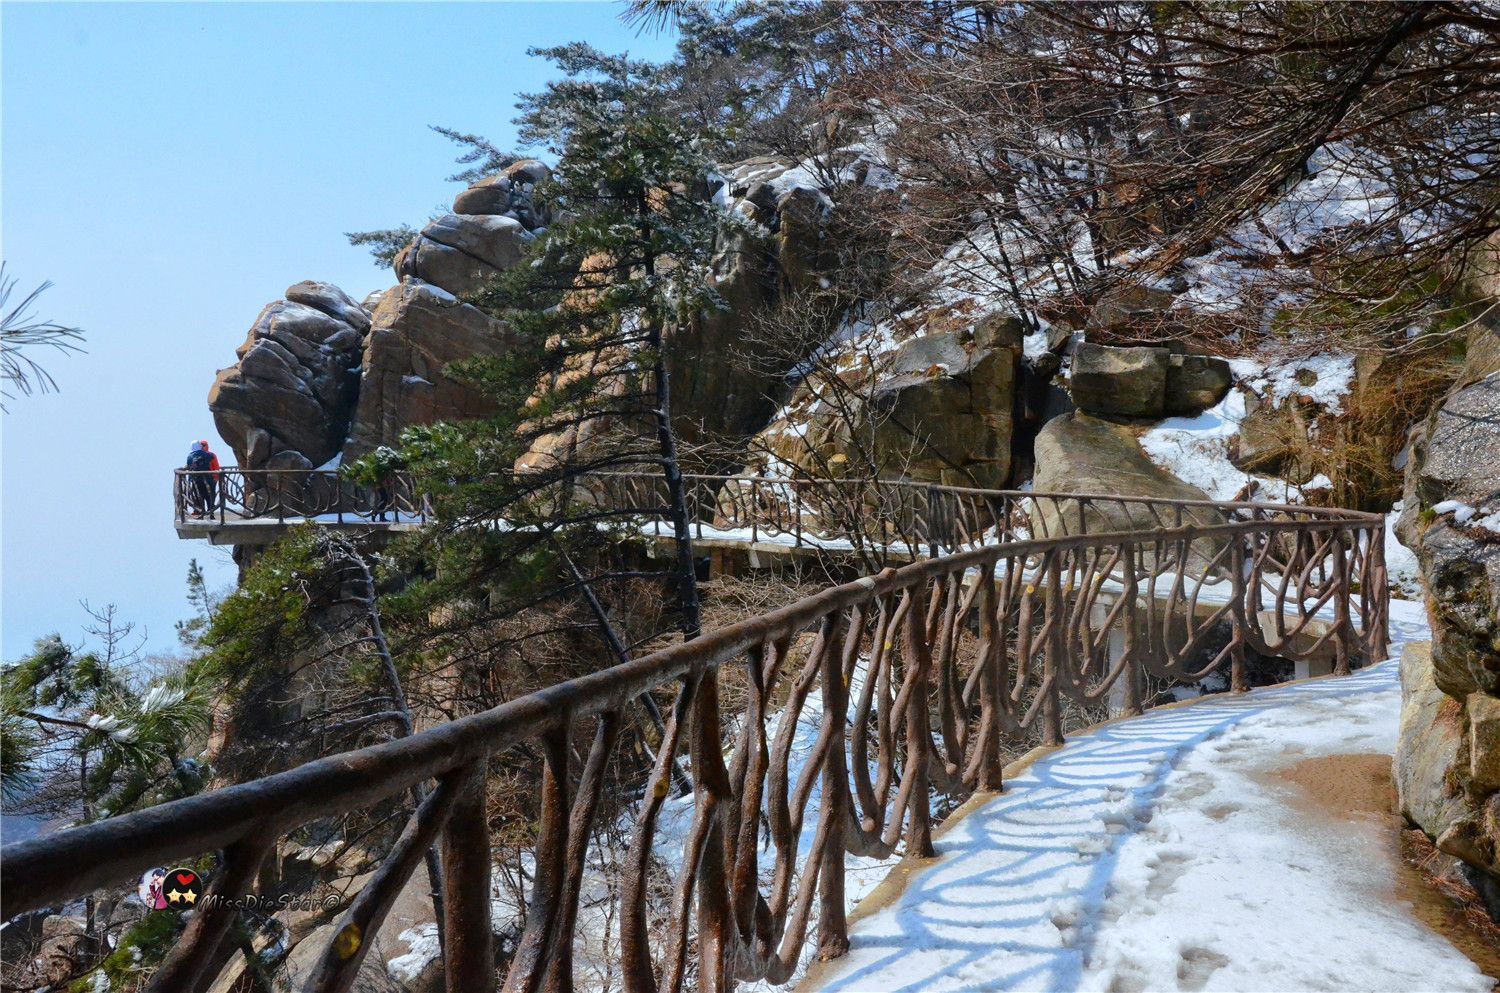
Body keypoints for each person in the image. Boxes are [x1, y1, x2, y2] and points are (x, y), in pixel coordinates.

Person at [184, 440, 220, 518]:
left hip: (195, 480)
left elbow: (188, 465)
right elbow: (212, 458)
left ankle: (201, 513)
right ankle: (211, 513)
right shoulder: (207, 455)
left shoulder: (190, 456)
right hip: (207, 479)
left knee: (198, 496)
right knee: (209, 496)